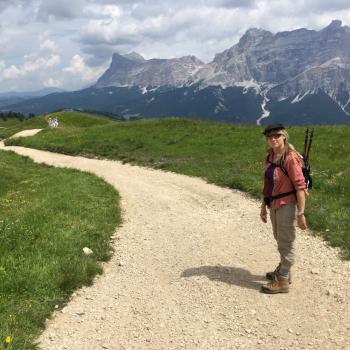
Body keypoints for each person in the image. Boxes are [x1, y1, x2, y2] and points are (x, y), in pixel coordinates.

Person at [260, 123, 307, 294]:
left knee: (285, 241)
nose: (273, 139)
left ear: (284, 136)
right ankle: (283, 270)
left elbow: (300, 186)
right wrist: (263, 206)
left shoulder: (290, 158)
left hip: (287, 204)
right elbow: (267, 183)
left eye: (276, 136)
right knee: (279, 237)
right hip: (272, 203)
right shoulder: (270, 156)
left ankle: (283, 280)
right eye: (269, 136)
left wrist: (301, 213)